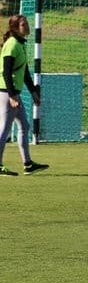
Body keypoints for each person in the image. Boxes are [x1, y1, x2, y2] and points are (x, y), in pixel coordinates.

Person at [0, 15, 49, 176]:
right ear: (14, 28)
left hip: (13, 93)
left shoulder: (20, 45)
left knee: (24, 126)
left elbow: (25, 71)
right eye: (23, 24)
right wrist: (13, 96)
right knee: (5, 130)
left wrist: (33, 91)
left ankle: (28, 164)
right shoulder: (12, 45)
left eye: (27, 23)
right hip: (7, 94)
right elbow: (6, 73)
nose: (26, 26)